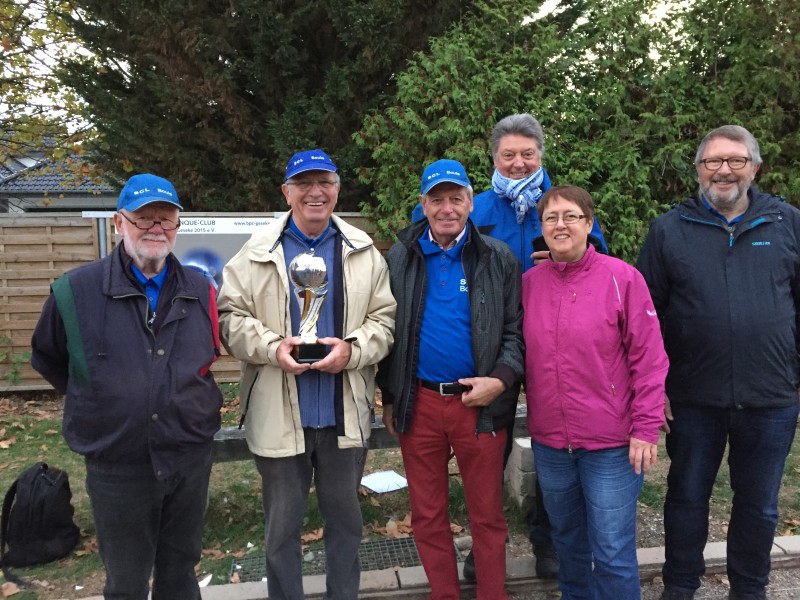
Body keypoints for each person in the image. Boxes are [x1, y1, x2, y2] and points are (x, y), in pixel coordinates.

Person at [414, 113, 608, 580]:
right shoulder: (473, 207)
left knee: (556, 445)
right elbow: (429, 244)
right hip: (491, 351)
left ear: (541, 155)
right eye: (509, 155)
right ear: (494, 159)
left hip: (554, 342)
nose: (519, 163)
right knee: (487, 447)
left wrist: (568, 259)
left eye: (528, 154)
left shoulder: (562, 207)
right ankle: (485, 548)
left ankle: (549, 540)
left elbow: (598, 259)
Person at [30, 173, 223, 600]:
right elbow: (49, 358)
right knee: (127, 580)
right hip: (118, 465)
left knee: (180, 571)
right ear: (119, 223)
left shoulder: (200, 289)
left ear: (177, 226)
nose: (156, 228)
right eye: (143, 218)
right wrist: (104, 399)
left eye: (165, 218)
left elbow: (208, 354)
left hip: (188, 458)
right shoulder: (75, 291)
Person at [217, 149, 396, 600]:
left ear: (337, 189)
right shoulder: (255, 252)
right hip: (279, 415)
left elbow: (384, 321)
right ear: (286, 192)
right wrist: (272, 347)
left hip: (342, 415)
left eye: (325, 183)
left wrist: (352, 350)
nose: (315, 192)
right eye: (303, 183)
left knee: (347, 527)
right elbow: (230, 319)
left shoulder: (363, 251)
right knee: (281, 532)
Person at [636, 125, 800, 600]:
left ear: (755, 168)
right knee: (687, 498)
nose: (723, 170)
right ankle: (680, 586)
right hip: (692, 398)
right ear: (698, 170)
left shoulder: (788, 224)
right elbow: (647, 317)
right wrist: (656, 387)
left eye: (735, 160)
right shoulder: (668, 230)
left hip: (771, 397)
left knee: (759, 505)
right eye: (712, 161)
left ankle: (749, 589)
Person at [378, 159, 524, 600]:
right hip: (419, 403)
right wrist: (390, 395)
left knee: (487, 515)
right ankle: (444, 593)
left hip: (479, 405)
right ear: (423, 204)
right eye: (437, 199)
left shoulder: (497, 257)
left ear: (470, 203)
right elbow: (387, 330)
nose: (447, 208)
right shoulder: (400, 256)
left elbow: (516, 331)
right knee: (427, 514)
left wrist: (500, 381)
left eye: (456, 198)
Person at [522, 184, 668, 599]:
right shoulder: (529, 284)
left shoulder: (622, 278)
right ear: (542, 227)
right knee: (568, 545)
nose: (560, 225)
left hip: (611, 444)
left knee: (612, 550)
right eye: (551, 218)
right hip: (552, 443)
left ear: (589, 224)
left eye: (571, 216)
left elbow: (650, 359)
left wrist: (646, 428)